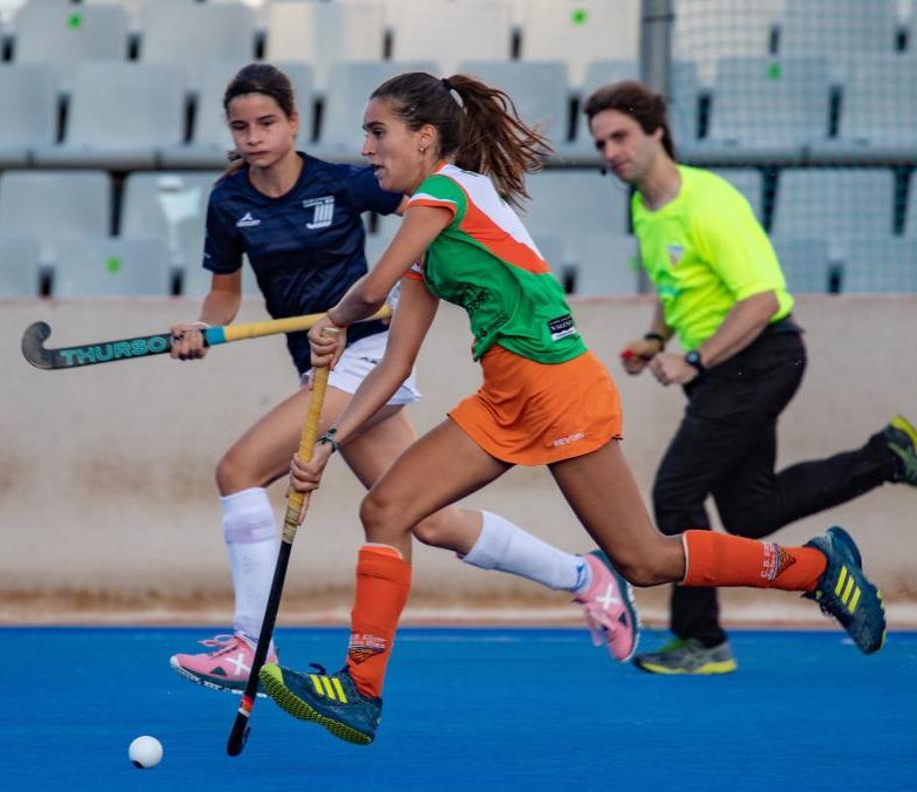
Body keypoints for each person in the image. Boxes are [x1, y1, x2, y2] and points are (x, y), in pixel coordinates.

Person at [258, 71, 887, 746]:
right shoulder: (424, 234)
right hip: (505, 398)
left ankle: (817, 568)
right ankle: (361, 691)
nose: (368, 148)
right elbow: (395, 364)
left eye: (378, 133)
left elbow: (369, 288)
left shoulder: (443, 194)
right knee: (385, 507)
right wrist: (329, 443)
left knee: (644, 561)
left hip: (559, 388)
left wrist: (336, 316)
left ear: (426, 138)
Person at [167, 64, 640, 697]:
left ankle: (251, 646)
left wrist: (386, 288)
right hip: (322, 366)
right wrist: (201, 326)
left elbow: (433, 209)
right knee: (425, 520)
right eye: (240, 127)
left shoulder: (340, 182)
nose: (253, 137)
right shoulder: (229, 202)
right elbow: (224, 296)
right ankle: (587, 578)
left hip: (365, 354)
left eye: (267, 122)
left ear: (293, 123)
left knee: (238, 471)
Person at [580, 79, 915, 675]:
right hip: (728, 370)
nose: (611, 152)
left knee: (675, 493)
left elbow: (762, 300)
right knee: (751, 515)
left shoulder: (709, 202)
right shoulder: (644, 207)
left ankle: (702, 639)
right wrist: (657, 340)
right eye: (601, 142)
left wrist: (696, 359)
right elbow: (670, 283)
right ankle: (888, 455)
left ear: (657, 131)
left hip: (759, 359)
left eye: (621, 136)